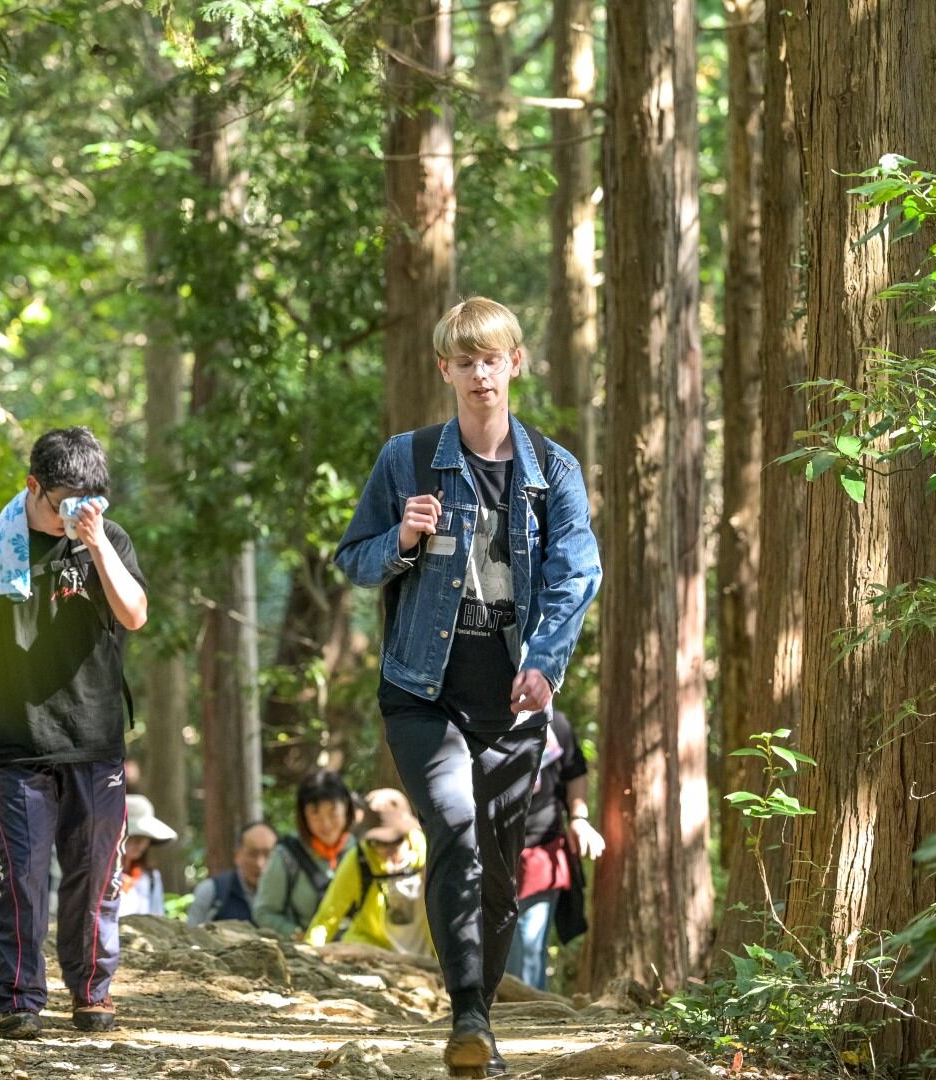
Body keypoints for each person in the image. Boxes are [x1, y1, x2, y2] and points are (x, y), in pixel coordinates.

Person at [333, 298, 601, 1078]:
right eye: (465, 360)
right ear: (444, 369)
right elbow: (354, 559)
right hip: (421, 689)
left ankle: (479, 1009)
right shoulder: (407, 459)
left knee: (499, 852)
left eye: (493, 358)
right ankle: (468, 1018)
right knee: (451, 824)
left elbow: (577, 574)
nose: (480, 373)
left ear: (515, 362)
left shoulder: (552, 469)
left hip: (515, 699)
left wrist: (546, 663)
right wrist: (401, 541)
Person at [0, 426, 149, 1040]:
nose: (75, 515)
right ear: (33, 487)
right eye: (63, 504)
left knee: (95, 879)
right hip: (15, 739)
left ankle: (91, 995)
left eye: (91, 502)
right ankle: (19, 998)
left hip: (95, 741)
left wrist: (97, 543)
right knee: (18, 879)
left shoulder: (109, 539)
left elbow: (134, 613)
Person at [504, 709, 604, 990]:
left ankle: (530, 1007)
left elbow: (576, 771)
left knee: (529, 939)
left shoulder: (555, 723)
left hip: (542, 850)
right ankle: (499, 1008)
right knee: (500, 935)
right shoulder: (480, 718)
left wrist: (579, 819)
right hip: (491, 849)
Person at [306, 789, 431, 957]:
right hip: (373, 954)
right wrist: (309, 953)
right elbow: (329, 914)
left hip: (427, 956)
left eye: (395, 842)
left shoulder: (427, 853)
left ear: (407, 834)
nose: (387, 850)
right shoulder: (360, 860)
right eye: (378, 843)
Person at [252, 769, 355, 939]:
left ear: (346, 808)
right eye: (315, 815)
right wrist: (298, 935)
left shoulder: (361, 852)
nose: (326, 824)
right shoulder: (287, 855)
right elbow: (264, 912)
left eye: (333, 813)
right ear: (303, 816)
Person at [186, 821, 278, 926]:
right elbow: (190, 936)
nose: (260, 864)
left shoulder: (290, 895)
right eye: (252, 854)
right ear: (237, 855)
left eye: (268, 855)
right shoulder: (212, 892)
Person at [118, 794, 178, 917]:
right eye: (134, 837)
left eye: (145, 838)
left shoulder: (151, 877)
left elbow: (158, 917)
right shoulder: (100, 877)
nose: (140, 844)